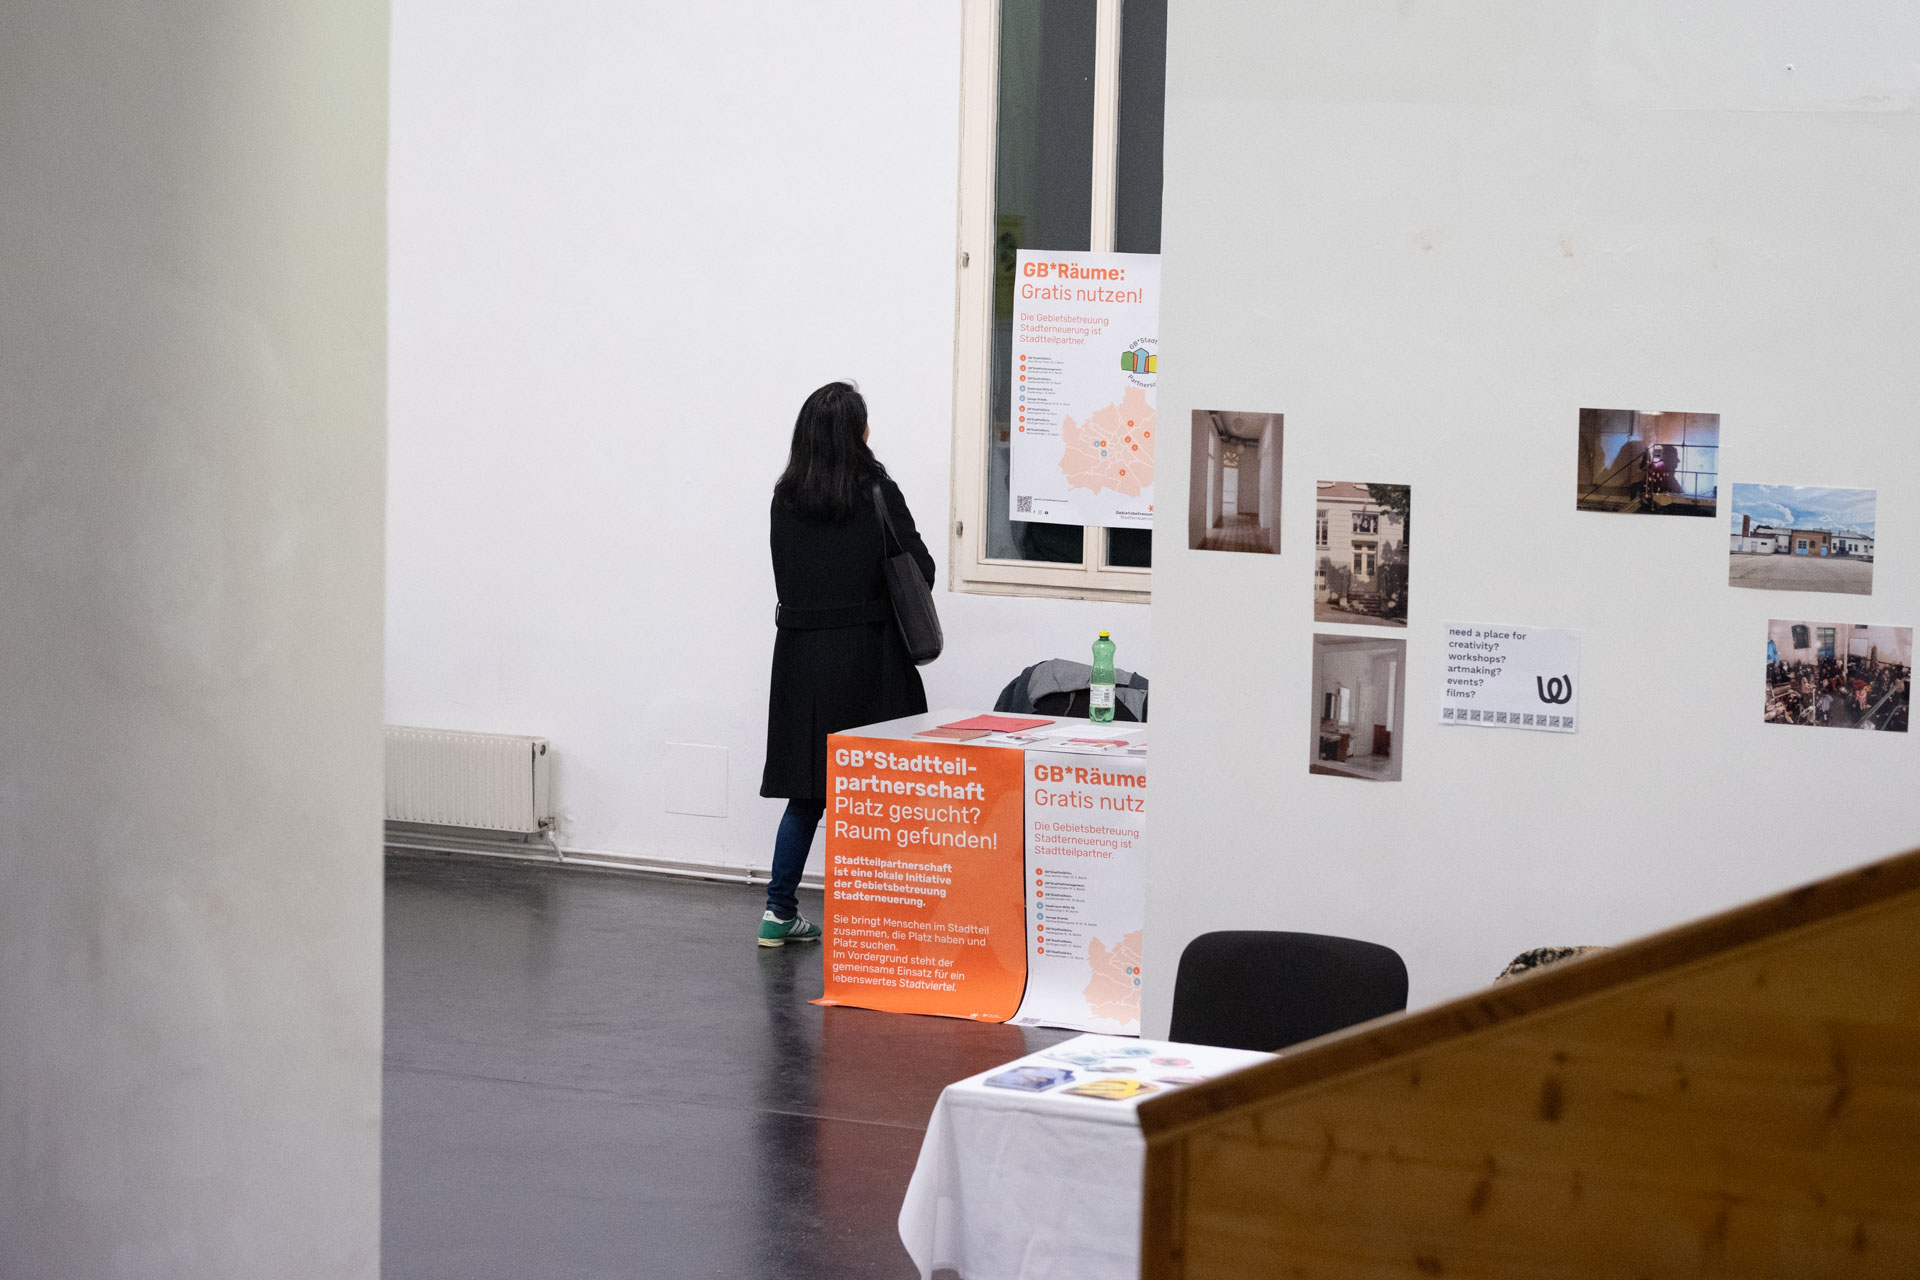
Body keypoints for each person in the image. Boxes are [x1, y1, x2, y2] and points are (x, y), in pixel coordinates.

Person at [757, 381, 935, 946]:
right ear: (858, 432)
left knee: (807, 794)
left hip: (802, 662)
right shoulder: (877, 492)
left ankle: (778, 912)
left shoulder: (785, 499)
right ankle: (878, 920)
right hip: (870, 659)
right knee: (878, 792)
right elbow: (922, 570)